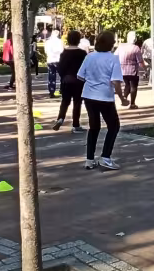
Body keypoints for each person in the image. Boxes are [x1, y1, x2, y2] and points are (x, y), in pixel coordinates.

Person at [78, 30, 125, 169]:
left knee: (94, 127)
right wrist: (122, 98)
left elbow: (80, 76)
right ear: (111, 44)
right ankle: (105, 156)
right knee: (114, 126)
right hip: (104, 96)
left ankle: (89, 159)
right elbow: (116, 82)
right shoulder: (113, 59)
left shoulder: (89, 57)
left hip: (89, 95)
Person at [53, 30, 87, 132]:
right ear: (78, 40)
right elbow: (85, 67)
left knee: (65, 101)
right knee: (77, 103)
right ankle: (76, 125)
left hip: (66, 80)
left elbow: (60, 67)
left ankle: (60, 118)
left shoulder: (64, 53)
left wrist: (63, 76)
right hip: (79, 81)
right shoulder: (82, 53)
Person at [115, 31, 143, 108]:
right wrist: (145, 70)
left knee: (127, 84)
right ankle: (132, 104)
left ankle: (124, 99)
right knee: (133, 86)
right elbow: (140, 61)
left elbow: (115, 56)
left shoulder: (121, 46)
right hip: (133, 70)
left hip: (122, 70)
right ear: (135, 39)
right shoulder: (136, 48)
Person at [45, 29, 64, 97]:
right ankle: (62, 90)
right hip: (58, 60)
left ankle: (51, 91)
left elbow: (46, 51)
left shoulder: (48, 42)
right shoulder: (60, 41)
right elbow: (62, 51)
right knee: (62, 76)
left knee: (51, 76)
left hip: (50, 60)